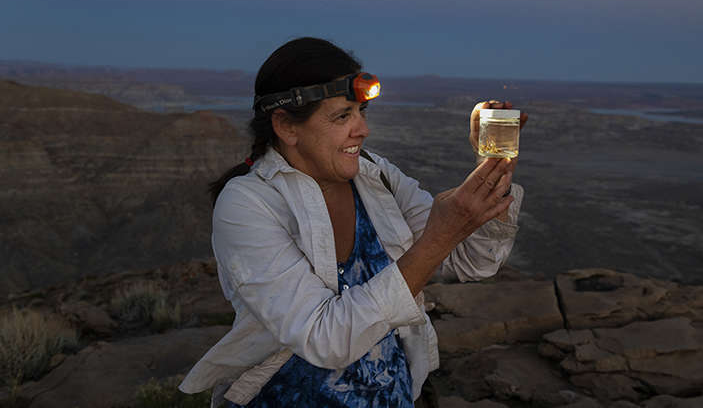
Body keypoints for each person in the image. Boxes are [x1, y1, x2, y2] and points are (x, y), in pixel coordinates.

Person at [179, 37, 526, 408]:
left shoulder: (375, 175)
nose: (362, 129)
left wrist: (493, 166)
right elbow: (324, 339)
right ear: (286, 126)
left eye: (361, 112)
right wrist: (437, 239)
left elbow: (475, 262)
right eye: (342, 116)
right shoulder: (248, 204)